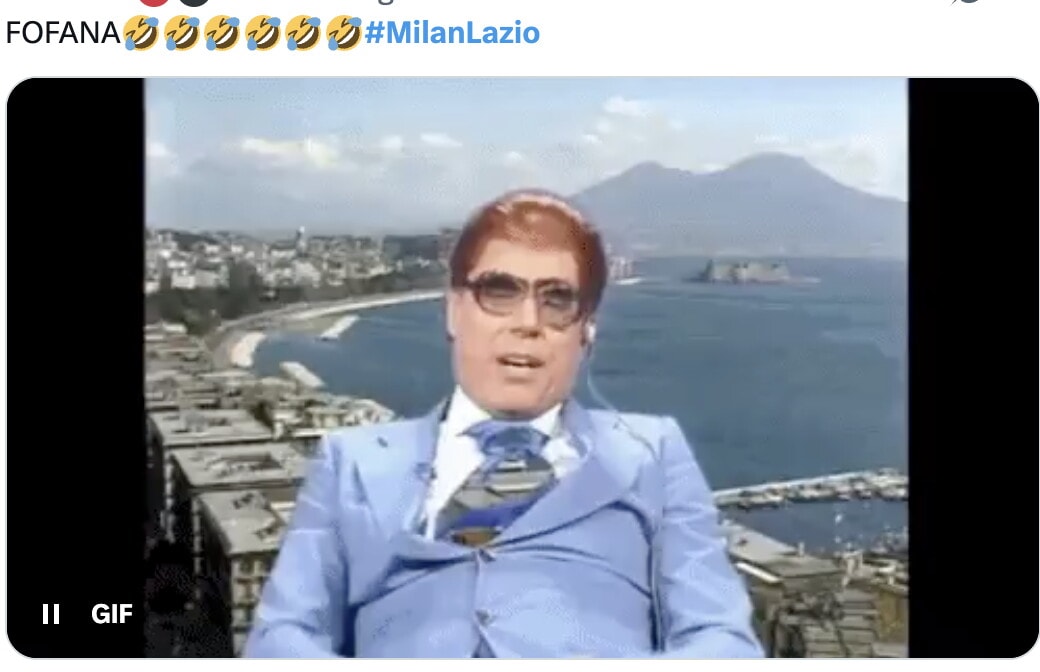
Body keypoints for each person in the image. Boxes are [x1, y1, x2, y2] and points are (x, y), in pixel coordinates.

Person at [243, 190, 764, 658]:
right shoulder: (350, 460)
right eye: (500, 292)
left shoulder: (652, 453)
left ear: (586, 330)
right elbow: (280, 639)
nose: (527, 323)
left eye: (556, 300)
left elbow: (724, 642)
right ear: (453, 311)